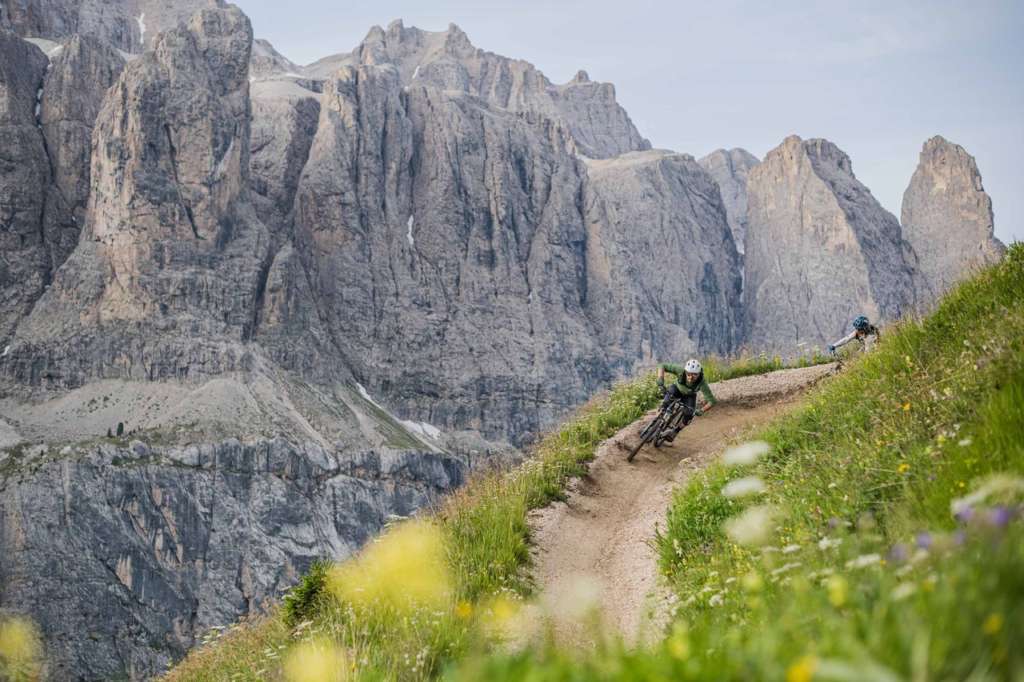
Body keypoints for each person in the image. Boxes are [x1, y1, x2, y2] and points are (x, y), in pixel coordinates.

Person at [656, 358, 716, 442]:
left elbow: (712, 401)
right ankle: (654, 424)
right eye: (688, 374)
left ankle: (675, 432)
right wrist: (660, 379)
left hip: (689, 396)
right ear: (685, 371)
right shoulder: (680, 371)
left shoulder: (702, 382)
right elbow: (662, 365)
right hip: (677, 388)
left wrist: (702, 410)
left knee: (689, 415)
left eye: (694, 375)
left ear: (699, 374)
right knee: (666, 401)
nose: (691, 377)